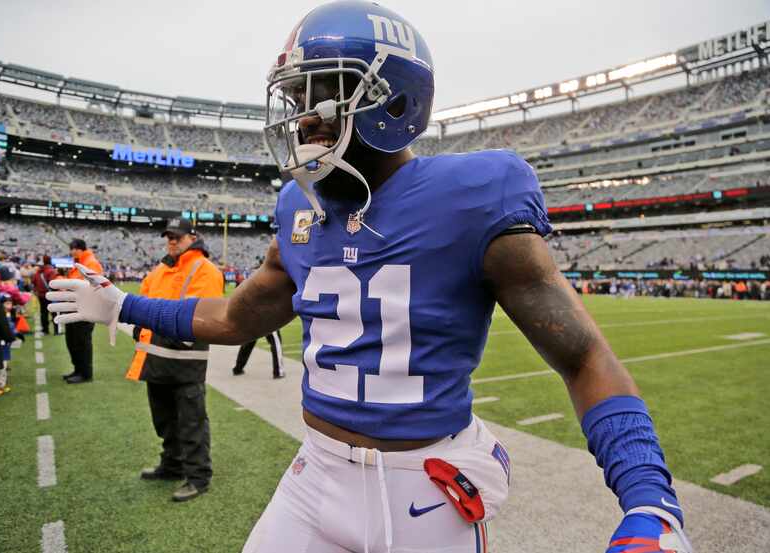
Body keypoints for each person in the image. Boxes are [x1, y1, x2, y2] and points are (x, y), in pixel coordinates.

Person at [48, 3, 692, 552]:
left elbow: (582, 357)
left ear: (392, 100)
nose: (298, 119)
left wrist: (648, 500)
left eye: (315, 97)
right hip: (316, 474)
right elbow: (238, 318)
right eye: (293, 100)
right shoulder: (298, 205)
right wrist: (124, 305)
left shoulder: (472, 196)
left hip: (426, 488)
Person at [125, 217, 224, 502]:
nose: (171, 241)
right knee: (165, 420)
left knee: (191, 422)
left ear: (192, 238)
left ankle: (198, 476)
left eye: (177, 237)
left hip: (185, 359)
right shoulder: (160, 269)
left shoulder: (205, 270)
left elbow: (199, 315)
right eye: (169, 236)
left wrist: (149, 323)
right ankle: (172, 465)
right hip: (155, 357)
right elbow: (143, 302)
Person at [62, 239, 103, 384]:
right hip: (74, 307)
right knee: (72, 340)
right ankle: (78, 369)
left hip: (85, 308)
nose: (71, 252)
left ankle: (85, 373)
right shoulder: (79, 263)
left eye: (72, 249)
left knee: (82, 342)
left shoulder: (91, 263)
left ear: (79, 249)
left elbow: (93, 285)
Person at [33, 256, 58, 335]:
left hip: (41, 295)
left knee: (43, 313)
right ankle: (56, 331)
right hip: (50, 294)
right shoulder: (52, 271)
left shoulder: (39, 271)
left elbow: (33, 281)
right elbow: (53, 284)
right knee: (54, 313)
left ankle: (45, 330)